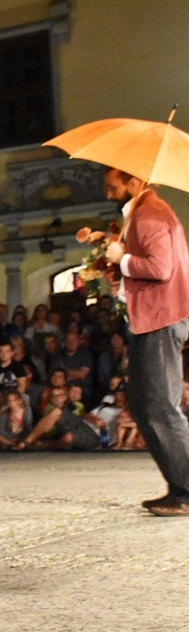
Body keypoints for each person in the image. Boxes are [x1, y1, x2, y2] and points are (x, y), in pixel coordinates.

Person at [104, 167, 189, 515]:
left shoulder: (150, 212)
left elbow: (160, 267)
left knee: (161, 407)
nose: (108, 194)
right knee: (143, 405)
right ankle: (179, 487)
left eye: (113, 187)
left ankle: (185, 492)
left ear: (133, 182)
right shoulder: (142, 213)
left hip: (161, 318)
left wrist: (119, 259)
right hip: (152, 318)